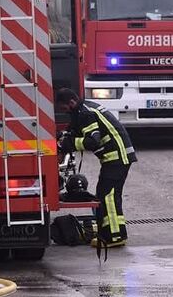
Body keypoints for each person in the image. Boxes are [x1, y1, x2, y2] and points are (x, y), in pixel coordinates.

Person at [56, 87, 136, 248]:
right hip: (115, 158)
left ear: (71, 102)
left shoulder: (85, 114)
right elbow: (73, 131)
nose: (64, 112)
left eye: (64, 108)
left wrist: (68, 144)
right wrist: (64, 137)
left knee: (108, 196)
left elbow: (93, 141)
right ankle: (109, 233)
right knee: (104, 194)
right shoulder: (83, 109)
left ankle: (115, 236)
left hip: (116, 157)